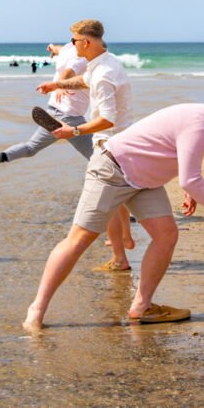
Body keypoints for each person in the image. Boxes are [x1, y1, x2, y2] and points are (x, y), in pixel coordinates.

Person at [22, 104, 204, 331]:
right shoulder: (202, 125)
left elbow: (182, 160)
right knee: (78, 240)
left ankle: (141, 306)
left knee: (166, 235)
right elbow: (189, 178)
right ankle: (37, 309)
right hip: (112, 169)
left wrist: (191, 191)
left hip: (143, 181)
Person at [35, 20, 135, 272]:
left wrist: (74, 130)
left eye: (74, 41)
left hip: (109, 147)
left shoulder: (103, 74)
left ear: (86, 42)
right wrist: (56, 84)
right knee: (115, 202)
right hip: (116, 145)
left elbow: (108, 119)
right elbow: (83, 81)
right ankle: (122, 247)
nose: (71, 45)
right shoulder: (105, 62)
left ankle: (120, 254)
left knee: (94, 211)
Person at [0, 42, 93, 172]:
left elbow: (55, 48)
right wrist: (60, 85)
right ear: (87, 43)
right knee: (97, 156)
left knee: (31, 147)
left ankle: (1, 157)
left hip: (52, 112)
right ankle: (116, 182)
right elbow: (69, 71)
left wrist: (52, 48)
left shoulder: (67, 50)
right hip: (70, 118)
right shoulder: (82, 58)